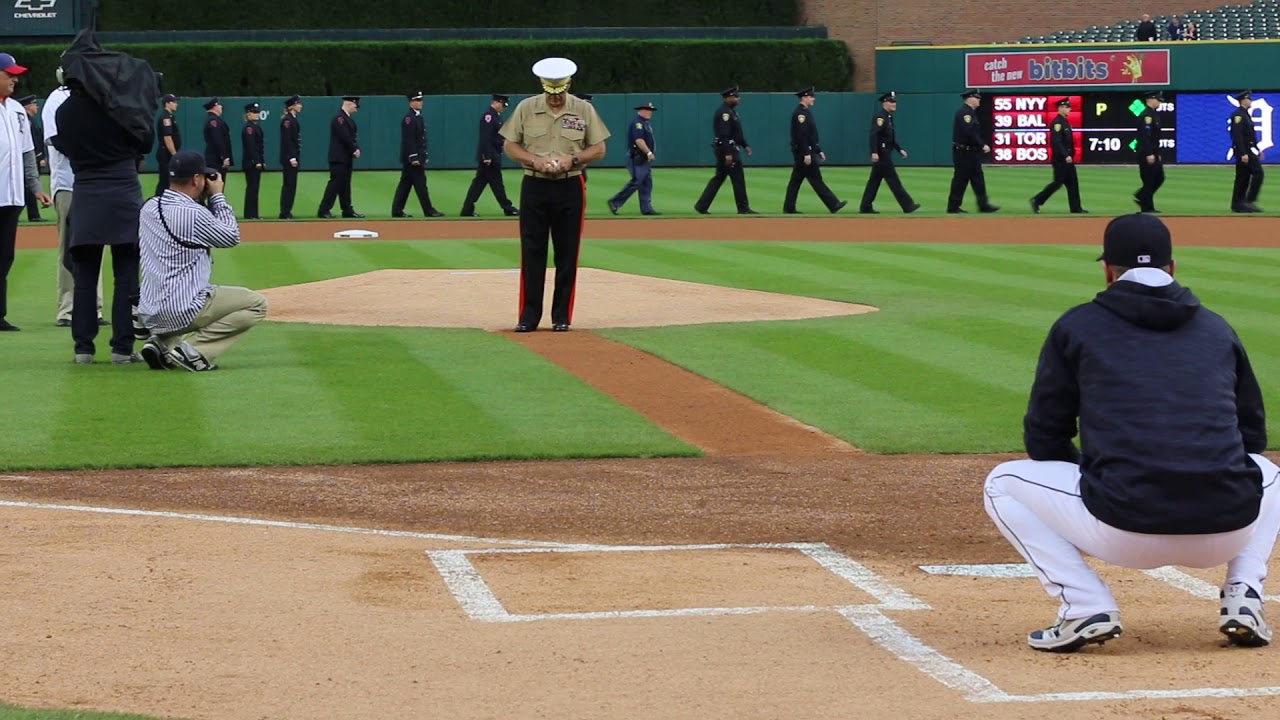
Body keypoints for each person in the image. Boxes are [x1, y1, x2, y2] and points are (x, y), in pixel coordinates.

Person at [984, 213, 1279, 653]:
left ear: (1108, 270)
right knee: (1266, 470)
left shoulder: (1077, 326)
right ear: (1173, 267)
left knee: (1001, 483)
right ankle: (1244, 595)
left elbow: (1044, 438)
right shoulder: (1217, 328)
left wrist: (1100, 475)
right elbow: (1251, 435)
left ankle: (1084, 606)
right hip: (1226, 530)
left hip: (1122, 532)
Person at [55, 36, 157, 363]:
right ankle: (122, 348)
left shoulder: (66, 111)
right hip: (123, 190)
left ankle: (83, 348)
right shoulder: (122, 105)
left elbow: (67, 148)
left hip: (86, 191)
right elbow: (145, 142)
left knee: (85, 273)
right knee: (125, 273)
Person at [501, 57, 609, 333]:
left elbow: (598, 149)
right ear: (543, 88)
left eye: (560, 93)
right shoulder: (526, 108)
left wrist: (572, 159)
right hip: (535, 184)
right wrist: (532, 160)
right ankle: (529, 316)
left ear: (568, 87)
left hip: (569, 184)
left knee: (567, 252)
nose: (556, 99)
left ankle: (561, 316)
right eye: (551, 94)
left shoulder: (583, 109)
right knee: (532, 250)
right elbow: (509, 145)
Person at [138, 150, 267, 372]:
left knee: (187, 292)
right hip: (180, 309)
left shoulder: (149, 207)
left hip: (149, 311)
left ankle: (162, 344)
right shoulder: (193, 213)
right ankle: (195, 351)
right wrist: (217, 196)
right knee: (256, 304)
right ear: (196, 179)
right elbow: (230, 236)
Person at [44, 79, 105, 328]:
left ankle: (95, 307)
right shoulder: (56, 99)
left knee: (96, 243)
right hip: (68, 182)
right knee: (70, 246)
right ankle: (67, 309)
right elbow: (53, 139)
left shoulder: (97, 94)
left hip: (95, 181)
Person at [0, 52, 52, 333]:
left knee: (6, 255)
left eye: (15, 74)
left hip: (11, 196)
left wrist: (35, 187)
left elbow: (26, 153)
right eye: (9, 74)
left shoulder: (17, 110)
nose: (14, 79)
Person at [783, 87, 847, 215]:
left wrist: (818, 150)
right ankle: (833, 204)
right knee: (816, 179)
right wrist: (807, 153)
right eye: (811, 96)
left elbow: (810, 135)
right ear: (804, 97)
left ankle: (789, 207)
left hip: (806, 151)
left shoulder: (806, 112)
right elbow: (802, 135)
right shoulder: (800, 114)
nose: (813, 99)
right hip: (803, 152)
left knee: (796, 180)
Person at [694, 86, 757, 215]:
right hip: (727, 149)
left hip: (728, 148)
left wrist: (745, 146)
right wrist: (728, 153)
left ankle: (702, 205)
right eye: (735, 97)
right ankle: (743, 207)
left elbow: (737, 133)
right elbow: (724, 135)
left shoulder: (731, 112)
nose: (738, 99)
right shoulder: (725, 113)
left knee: (719, 178)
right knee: (737, 178)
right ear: (728, 98)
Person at [860, 91, 920, 214]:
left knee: (874, 181)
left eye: (895, 101)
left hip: (886, 151)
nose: (894, 104)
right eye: (891, 101)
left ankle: (865, 206)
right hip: (882, 153)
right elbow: (874, 135)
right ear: (885, 103)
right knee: (893, 180)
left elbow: (890, 138)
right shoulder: (880, 117)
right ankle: (907, 205)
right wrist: (874, 152)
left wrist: (900, 149)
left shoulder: (888, 117)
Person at [460, 93, 519, 217]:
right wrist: (486, 156)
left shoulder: (495, 116)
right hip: (490, 157)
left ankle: (467, 209)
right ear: (496, 102)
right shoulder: (489, 116)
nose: (504, 108)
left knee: (479, 183)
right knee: (496, 183)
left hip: (493, 154)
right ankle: (508, 208)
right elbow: (485, 138)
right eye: (503, 105)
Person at [391, 91, 443, 218]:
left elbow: (421, 139)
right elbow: (409, 139)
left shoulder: (417, 117)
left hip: (416, 157)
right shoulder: (409, 118)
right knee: (420, 184)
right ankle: (428, 210)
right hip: (412, 158)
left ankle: (397, 210)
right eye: (417, 100)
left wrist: (423, 155)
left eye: (421, 100)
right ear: (411, 102)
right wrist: (413, 156)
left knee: (405, 184)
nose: (420, 103)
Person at [1030, 98, 1087, 214]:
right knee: (1057, 183)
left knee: (1073, 184)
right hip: (1061, 160)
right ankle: (1037, 200)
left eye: (1069, 107)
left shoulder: (1065, 122)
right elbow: (1056, 142)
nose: (1069, 109)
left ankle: (1076, 207)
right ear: (1060, 108)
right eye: (1067, 107)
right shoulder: (1057, 123)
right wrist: (1065, 155)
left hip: (1068, 159)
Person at [947, 90, 999, 214]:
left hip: (971, 153)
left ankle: (983, 205)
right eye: (977, 97)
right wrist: (982, 145)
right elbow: (968, 132)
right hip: (964, 152)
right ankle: (953, 207)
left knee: (978, 180)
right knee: (960, 180)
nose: (979, 100)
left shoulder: (970, 112)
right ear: (970, 98)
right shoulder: (965, 113)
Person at [607, 101, 660, 216]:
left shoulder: (645, 123)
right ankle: (614, 202)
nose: (650, 112)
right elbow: (639, 140)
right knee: (636, 181)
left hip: (642, 159)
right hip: (636, 157)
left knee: (646, 182)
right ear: (641, 111)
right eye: (647, 110)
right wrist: (649, 152)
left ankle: (646, 208)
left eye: (650, 110)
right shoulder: (638, 123)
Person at [318, 96, 363, 219]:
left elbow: (353, 137)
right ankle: (324, 209)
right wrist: (354, 149)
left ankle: (347, 209)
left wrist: (356, 148)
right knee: (335, 184)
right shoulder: (339, 118)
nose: (356, 108)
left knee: (345, 185)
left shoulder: (348, 119)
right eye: (355, 105)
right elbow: (345, 137)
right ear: (349, 104)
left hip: (346, 157)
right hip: (338, 157)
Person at [1230, 90, 1264, 213]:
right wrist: (1243, 153)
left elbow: (1250, 135)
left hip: (1248, 150)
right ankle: (1248, 201)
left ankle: (1238, 203)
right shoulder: (1238, 115)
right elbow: (1237, 135)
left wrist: (1258, 149)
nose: (1251, 101)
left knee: (1243, 177)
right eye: (1249, 99)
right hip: (1244, 151)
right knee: (1257, 173)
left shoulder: (1245, 114)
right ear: (1243, 100)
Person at [1134, 91, 1165, 213]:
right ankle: (1146, 206)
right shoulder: (1146, 116)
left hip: (1154, 152)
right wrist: (1149, 153)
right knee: (1149, 179)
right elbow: (1145, 136)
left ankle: (1142, 198)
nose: (1159, 102)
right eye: (1158, 99)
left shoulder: (1154, 115)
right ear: (1150, 99)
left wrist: (1157, 153)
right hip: (1146, 152)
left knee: (1159, 178)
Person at [19, 95, 46, 222]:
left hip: (32, 158)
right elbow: (31, 142)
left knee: (28, 187)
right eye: (34, 104)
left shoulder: (31, 121)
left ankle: (33, 214)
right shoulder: (24, 120)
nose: (37, 106)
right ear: (28, 106)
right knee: (27, 188)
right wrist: (39, 156)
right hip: (28, 159)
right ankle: (33, 215)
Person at [278, 95, 302, 219]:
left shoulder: (293, 119)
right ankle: (285, 211)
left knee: (292, 185)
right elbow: (287, 141)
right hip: (289, 158)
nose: (300, 106)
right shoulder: (287, 120)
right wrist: (292, 157)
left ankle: (287, 210)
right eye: (298, 104)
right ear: (292, 106)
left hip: (292, 156)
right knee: (289, 185)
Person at [240, 102, 264, 219]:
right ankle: (250, 214)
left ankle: (254, 213)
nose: (257, 114)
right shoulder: (249, 128)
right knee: (252, 188)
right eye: (254, 112)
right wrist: (256, 161)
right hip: (251, 163)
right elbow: (251, 146)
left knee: (254, 188)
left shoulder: (255, 126)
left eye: (258, 112)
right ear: (248, 114)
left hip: (254, 162)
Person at [154, 93, 180, 197]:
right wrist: (174, 154)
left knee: (168, 181)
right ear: (168, 103)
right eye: (174, 102)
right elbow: (167, 138)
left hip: (167, 153)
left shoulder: (170, 116)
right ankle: (157, 202)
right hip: (166, 154)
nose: (176, 104)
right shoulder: (166, 118)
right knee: (165, 181)